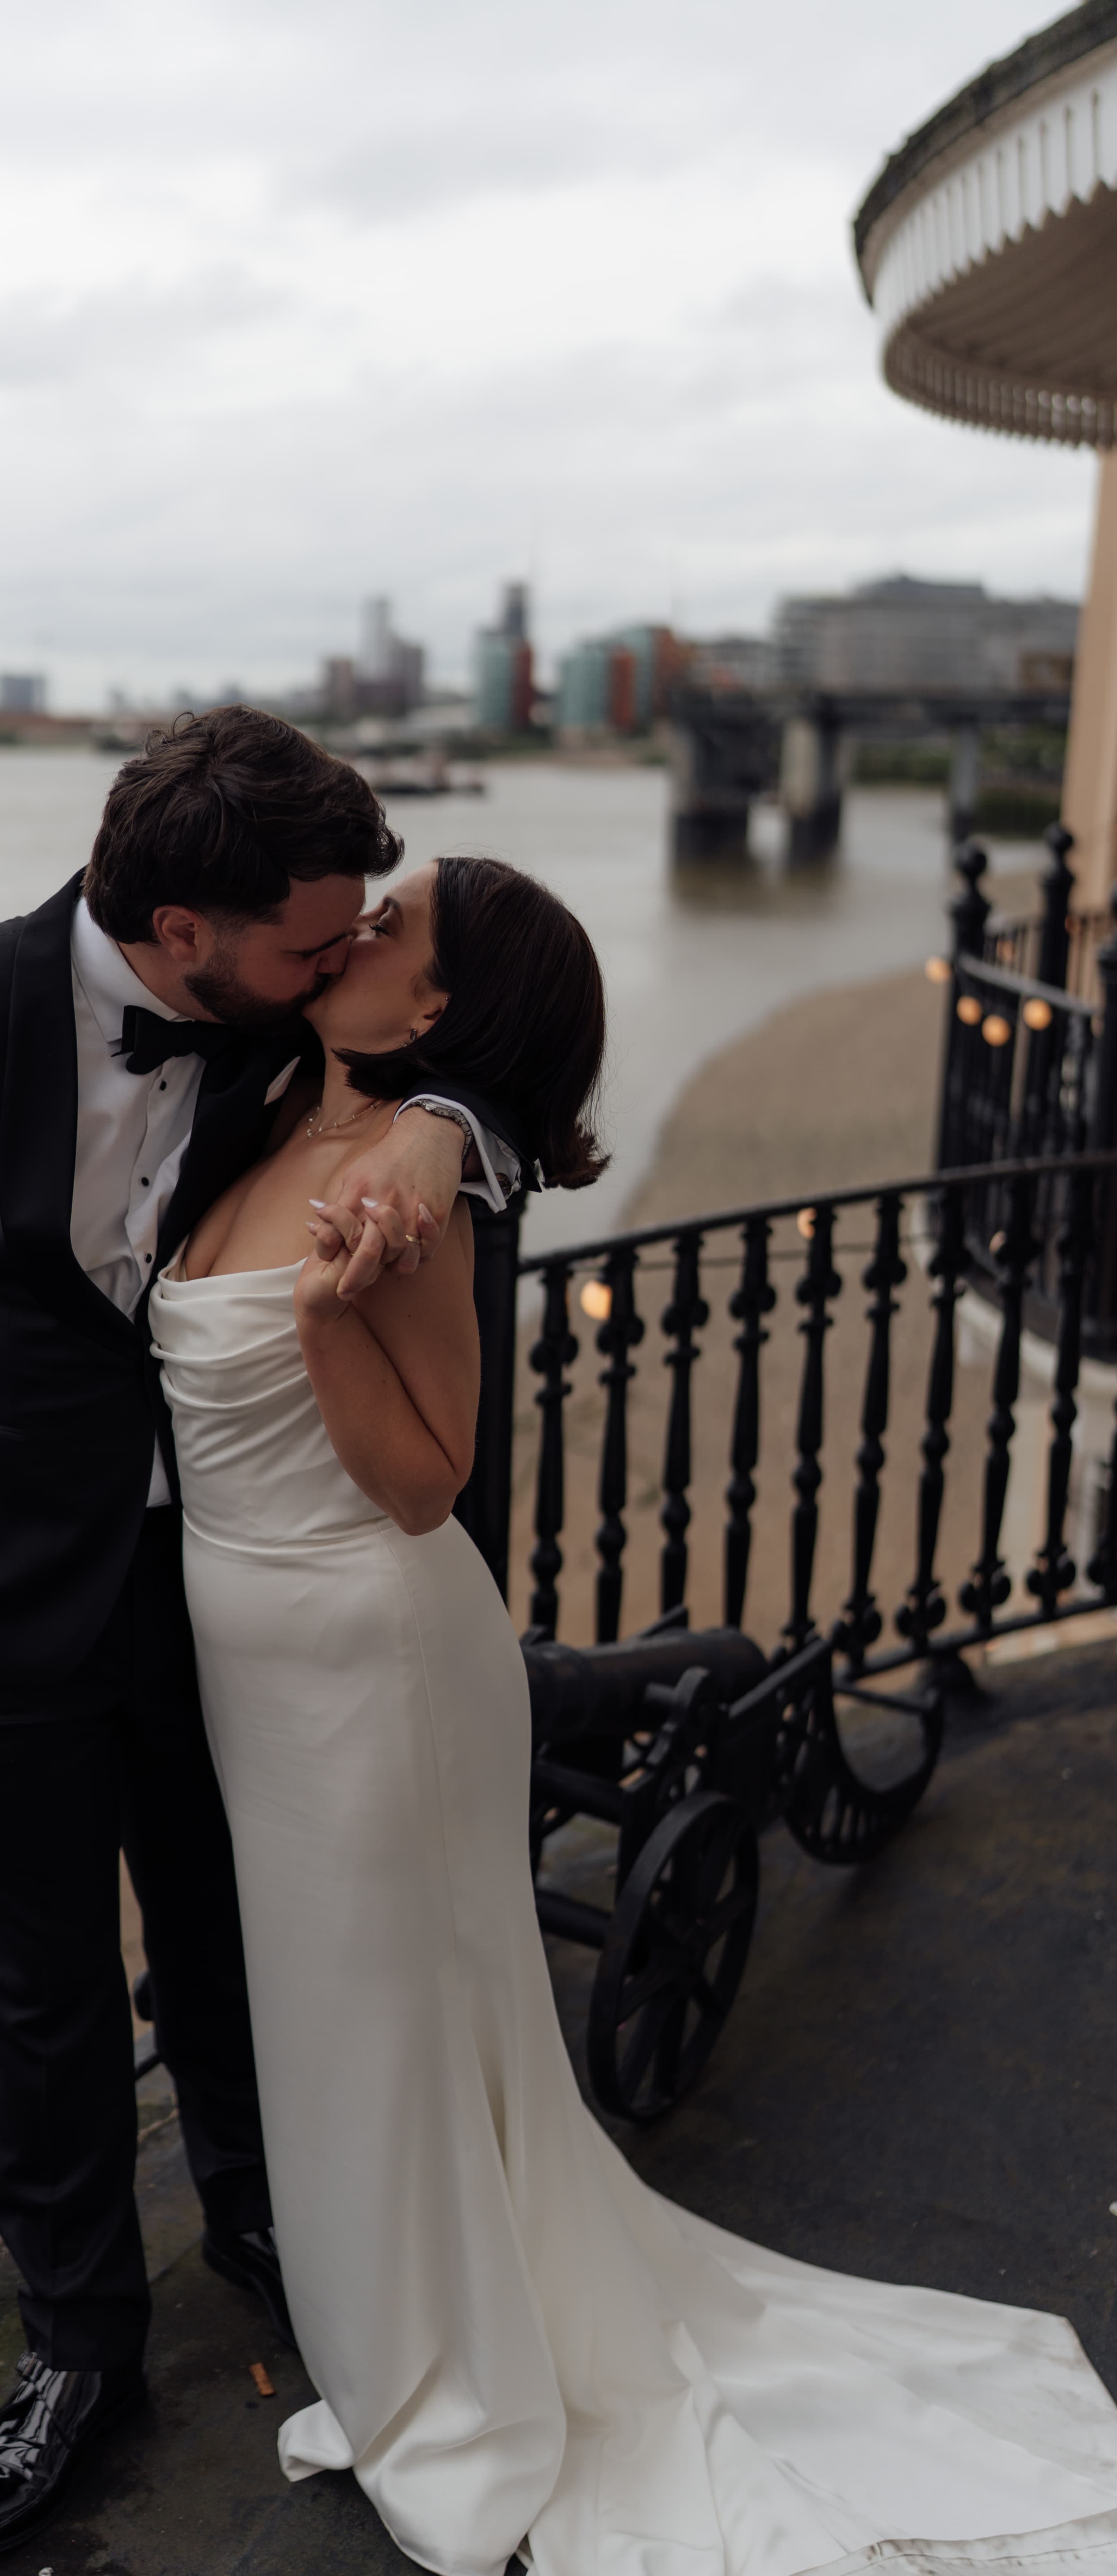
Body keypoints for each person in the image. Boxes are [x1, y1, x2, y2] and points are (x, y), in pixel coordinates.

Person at [153, 852, 1117, 2576]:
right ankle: (396, 2346)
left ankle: (450, 2374)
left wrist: (316, 1322)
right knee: (326, 2020)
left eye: (394, 922)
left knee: (395, 2022)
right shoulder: (278, 1093)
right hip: (258, 1669)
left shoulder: (402, 1188)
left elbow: (427, 1481)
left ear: (435, 1004)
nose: (359, 923)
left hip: (375, 1659)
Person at [0, 708, 528, 2563]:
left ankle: (279, 2230)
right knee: (45, 1984)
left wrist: (448, 1141)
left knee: (236, 1935)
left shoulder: (287, 1002)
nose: (342, 961)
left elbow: (467, 1059)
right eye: (312, 937)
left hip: (230, 1581)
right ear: (184, 932)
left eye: (357, 934)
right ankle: (78, 2348)